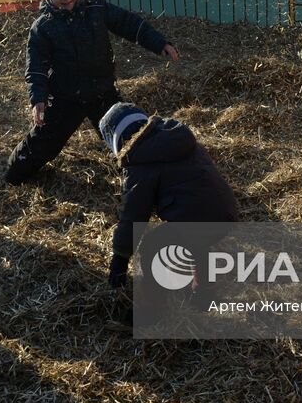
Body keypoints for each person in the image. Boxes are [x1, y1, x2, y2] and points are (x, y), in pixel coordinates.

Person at [7, 0, 179, 185]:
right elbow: (36, 66)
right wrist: (38, 99)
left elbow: (129, 23)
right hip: (66, 98)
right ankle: (13, 174)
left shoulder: (97, 8)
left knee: (129, 139)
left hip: (103, 94)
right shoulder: (44, 26)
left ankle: (147, 176)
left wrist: (159, 43)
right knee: (42, 145)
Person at [98, 103, 238, 293]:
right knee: (196, 239)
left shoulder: (140, 163)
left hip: (196, 219)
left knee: (152, 247)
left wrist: (120, 260)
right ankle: (203, 291)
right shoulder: (177, 138)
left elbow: (133, 216)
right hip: (226, 211)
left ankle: (153, 300)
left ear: (118, 142)